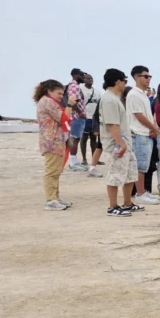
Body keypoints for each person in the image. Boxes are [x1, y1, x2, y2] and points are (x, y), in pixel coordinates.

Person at [99, 68, 140, 216]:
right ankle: (113, 206)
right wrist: (121, 144)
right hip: (116, 145)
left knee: (130, 174)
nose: (125, 84)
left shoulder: (114, 98)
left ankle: (127, 203)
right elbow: (111, 124)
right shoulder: (109, 100)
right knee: (115, 175)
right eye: (124, 81)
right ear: (118, 82)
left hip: (125, 143)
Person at [33, 79, 72, 211]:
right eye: (59, 93)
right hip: (52, 141)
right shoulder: (48, 102)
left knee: (56, 171)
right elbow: (64, 119)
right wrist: (70, 105)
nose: (61, 96)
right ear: (49, 91)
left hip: (56, 140)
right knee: (52, 171)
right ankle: (51, 200)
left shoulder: (48, 101)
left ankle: (55, 197)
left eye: (62, 94)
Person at [125, 65, 160, 205]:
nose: (148, 79)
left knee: (144, 166)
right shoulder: (133, 94)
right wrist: (153, 128)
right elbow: (139, 115)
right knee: (140, 166)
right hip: (138, 133)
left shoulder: (143, 94)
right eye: (145, 76)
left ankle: (143, 191)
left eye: (149, 76)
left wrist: (153, 127)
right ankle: (139, 194)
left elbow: (147, 114)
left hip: (146, 133)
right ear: (136, 77)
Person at [79, 73, 103, 176]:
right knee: (83, 138)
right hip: (85, 117)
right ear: (84, 79)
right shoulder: (81, 90)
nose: (90, 80)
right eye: (88, 78)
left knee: (94, 139)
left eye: (92, 78)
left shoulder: (97, 92)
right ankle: (84, 159)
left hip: (94, 118)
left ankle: (95, 159)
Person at [65, 68, 88, 172]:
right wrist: (81, 113)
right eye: (81, 75)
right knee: (75, 139)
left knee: (76, 139)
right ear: (75, 75)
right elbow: (72, 101)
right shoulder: (74, 86)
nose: (83, 77)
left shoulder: (75, 86)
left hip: (76, 116)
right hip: (76, 117)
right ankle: (72, 163)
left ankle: (74, 161)